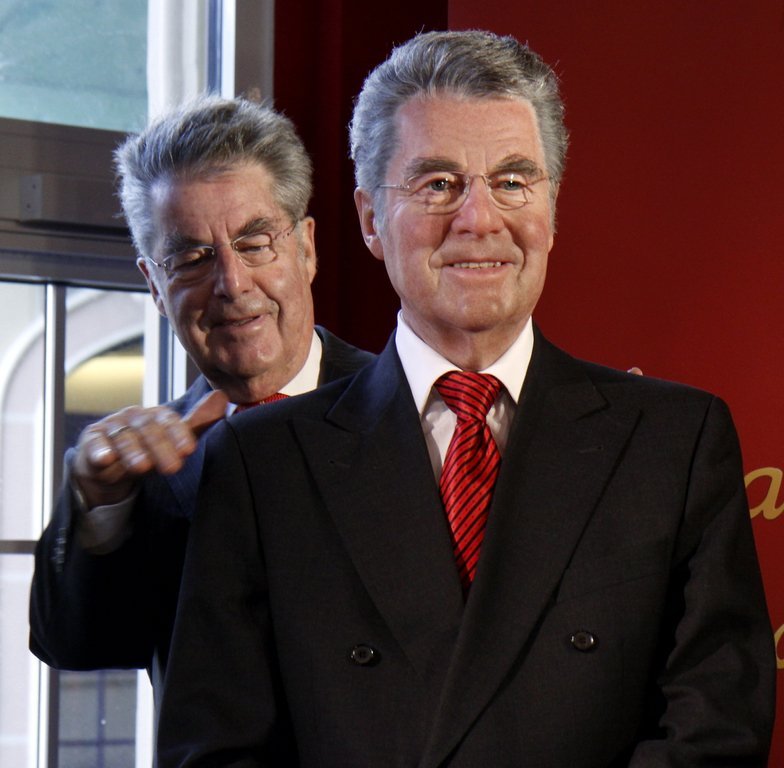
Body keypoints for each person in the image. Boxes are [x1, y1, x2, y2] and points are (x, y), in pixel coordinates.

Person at [156, 31, 775, 767]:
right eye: (438, 184)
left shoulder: (674, 443)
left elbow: (716, 734)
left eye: (513, 181)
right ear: (369, 220)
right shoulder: (261, 464)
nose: (480, 219)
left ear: (551, 209)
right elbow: (214, 751)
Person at [28, 96, 374, 706]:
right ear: (155, 286)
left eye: (255, 243)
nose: (232, 284)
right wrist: (100, 506)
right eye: (192, 259)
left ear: (307, 248)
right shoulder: (142, 467)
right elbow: (75, 645)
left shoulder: (414, 410)